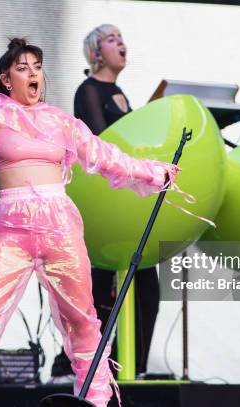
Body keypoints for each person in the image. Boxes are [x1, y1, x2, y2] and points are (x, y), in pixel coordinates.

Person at [0, 6, 180, 407]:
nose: (33, 74)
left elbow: (106, 156)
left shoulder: (60, 121)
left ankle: (96, 402)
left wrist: (154, 172)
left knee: (84, 323)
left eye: (37, 67)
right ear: (5, 79)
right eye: (23, 68)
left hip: (59, 224)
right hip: (12, 227)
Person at [50, 24, 159, 382]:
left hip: (128, 206)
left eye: (122, 38)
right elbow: (103, 143)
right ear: (95, 53)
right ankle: (78, 367)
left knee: (145, 288)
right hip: (104, 206)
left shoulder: (121, 93)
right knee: (100, 293)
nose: (121, 44)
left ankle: (132, 367)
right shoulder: (89, 91)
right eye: (112, 39)